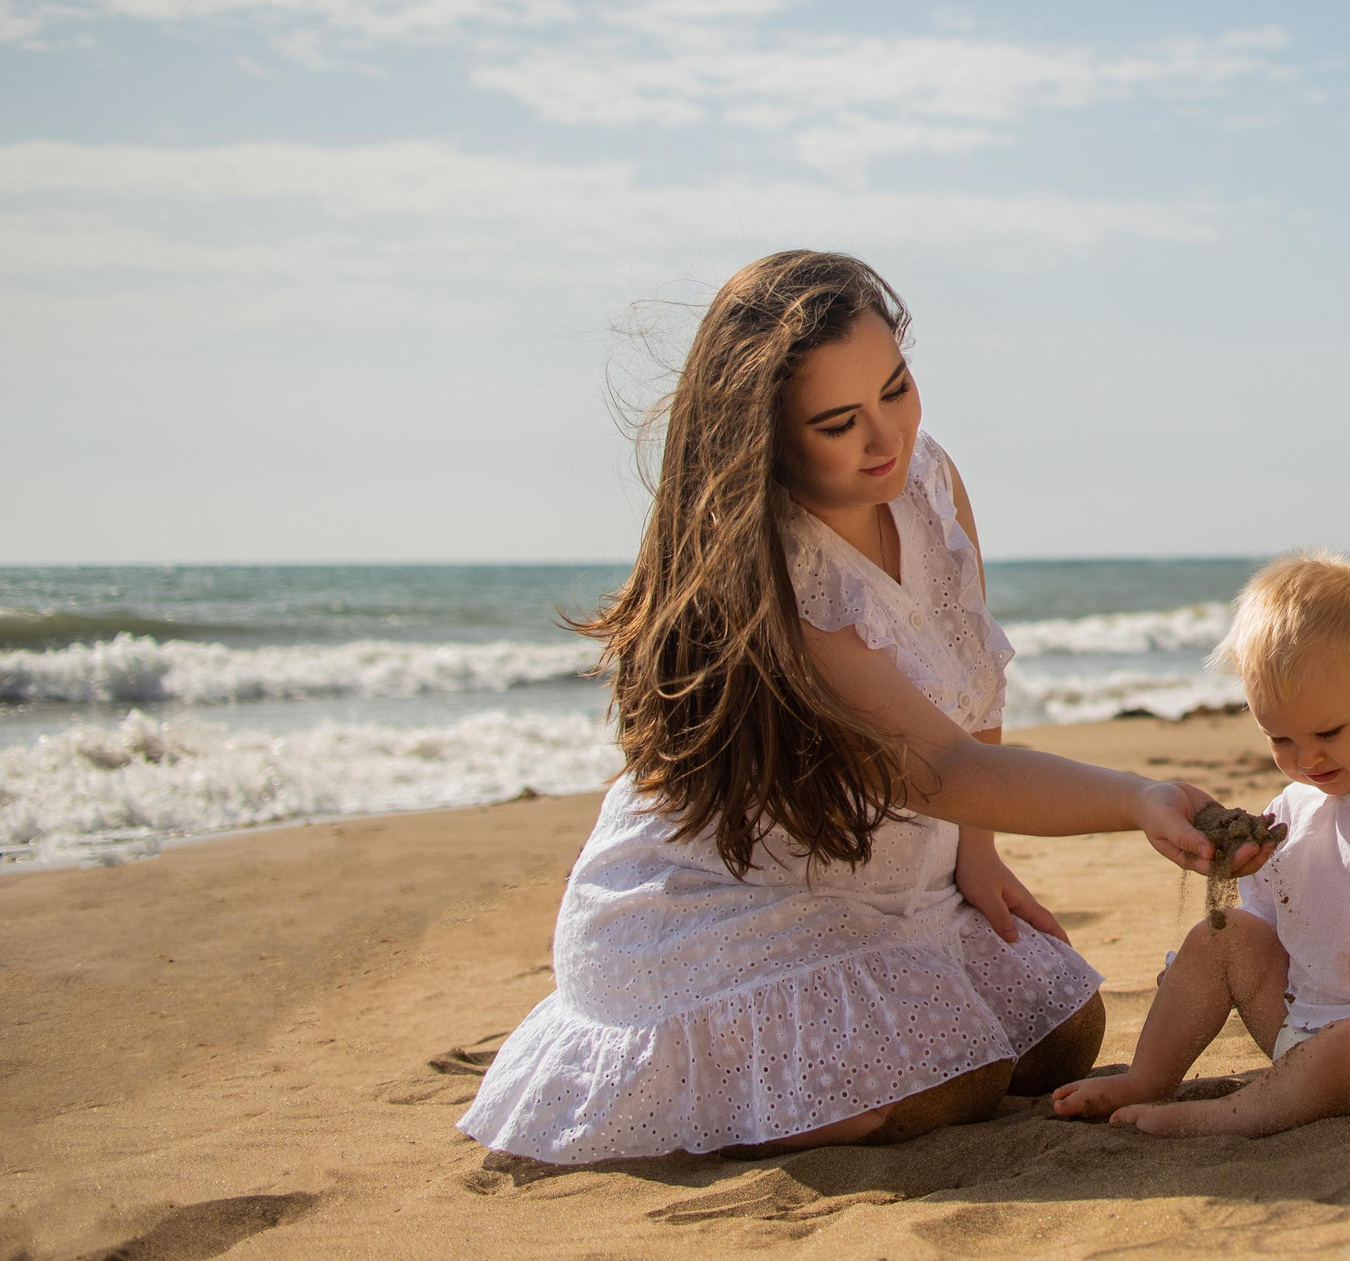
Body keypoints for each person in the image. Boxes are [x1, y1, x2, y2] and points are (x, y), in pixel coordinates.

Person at [460, 250, 1273, 1164]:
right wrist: (1134, 799)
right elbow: (941, 765)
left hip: (889, 885)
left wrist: (979, 851)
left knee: (1062, 1032)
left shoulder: (928, 481)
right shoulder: (780, 573)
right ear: (762, 437)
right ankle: (706, 1094)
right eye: (840, 422)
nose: (885, 438)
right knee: (943, 1079)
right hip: (724, 904)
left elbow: (974, 675)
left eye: (896, 389)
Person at [1050, 550, 1350, 1137]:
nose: (1306, 760)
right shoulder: (1291, 807)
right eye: (1280, 738)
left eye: (1328, 732)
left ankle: (1244, 1112)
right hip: (1295, 1023)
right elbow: (1262, 920)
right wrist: (1197, 971)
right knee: (1219, 934)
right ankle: (1148, 1077)